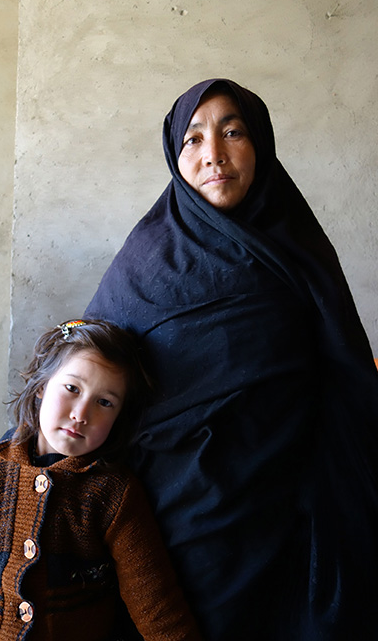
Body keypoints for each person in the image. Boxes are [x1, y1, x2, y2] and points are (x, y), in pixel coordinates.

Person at [85, 79, 378, 640]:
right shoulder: (145, 261)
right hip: (168, 524)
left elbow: (347, 375)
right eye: (193, 139)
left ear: (260, 143)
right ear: (175, 154)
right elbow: (84, 375)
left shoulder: (302, 249)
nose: (213, 154)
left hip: (290, 519)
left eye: (232, 131)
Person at [0, 319, 203, 641]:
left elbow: (155, 602)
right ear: (42, 385)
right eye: (72, 388)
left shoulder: (113, 493)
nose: (81, 413)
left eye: (105, 402)